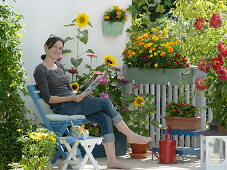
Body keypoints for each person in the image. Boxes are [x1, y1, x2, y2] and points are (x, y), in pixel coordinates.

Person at [33, 34, 151, 169]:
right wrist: (72, 98)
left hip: (73, 103)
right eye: (55, 47)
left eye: (60, 48)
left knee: (105, 117)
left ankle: (112, 160)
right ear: (46, 47)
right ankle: (130, 135)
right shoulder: (40, 70)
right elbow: (48, 98)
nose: (58, 50)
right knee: (105, 103)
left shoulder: (59, 66)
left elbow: (69, 89)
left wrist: (81, 93)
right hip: (62, 107)